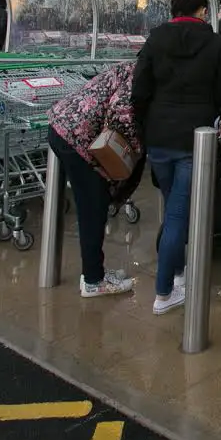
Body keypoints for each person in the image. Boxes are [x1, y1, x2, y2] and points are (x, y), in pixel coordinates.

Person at [130, 0, 221, 315]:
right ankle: (163, 293)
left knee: (175, 207)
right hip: (194, 139)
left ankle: (176, 271)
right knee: (176, 214)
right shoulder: (215, 44)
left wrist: (145, 126)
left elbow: (140, 88)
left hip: (159, 137)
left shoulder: (156, 38)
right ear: (201, 10)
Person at [47, 61, 140, 298]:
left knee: (92, 204)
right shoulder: (138, 75)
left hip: (64, 124)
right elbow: (122, 112)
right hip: (77, 138)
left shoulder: (130, 66)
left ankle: (94, 273)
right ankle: (93, 280)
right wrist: (136, 148)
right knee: (93, 208)